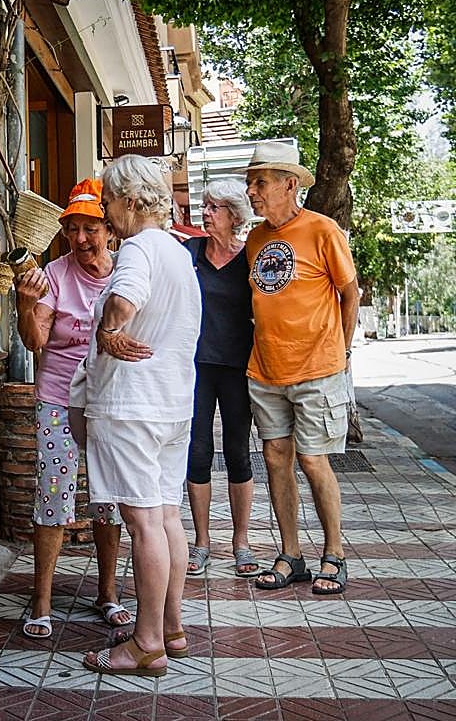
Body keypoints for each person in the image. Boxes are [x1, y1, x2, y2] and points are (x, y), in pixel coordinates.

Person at [79, 155, 201, 678]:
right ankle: (171, 627)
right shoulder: (177, 253)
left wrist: (108, 330)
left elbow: (125, 301)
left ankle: (146, 643)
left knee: (144, 522)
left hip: (133, 406)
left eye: (108, 202)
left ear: (131, 201)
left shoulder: (139, 249)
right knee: (167, 516)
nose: (106, 214)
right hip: (171, 405)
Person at [13, 178, 131, 640]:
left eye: (91, 228)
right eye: (73, 229)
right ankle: (41, 599)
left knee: (107, 500)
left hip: (107, 401)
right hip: (59, 399)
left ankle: (107, 593)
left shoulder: (126, 272)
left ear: (110, 230)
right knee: (54, 493)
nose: (81, 238)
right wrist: (26, 305)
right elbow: (35, 341)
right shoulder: (55, 275)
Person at [244, 142, 358, 595]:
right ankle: (292, 555)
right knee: (276, 460)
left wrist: (341, 353)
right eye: (250, 183)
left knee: (313, 460)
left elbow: (350, 294)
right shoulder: (255, 239)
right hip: (266, 370)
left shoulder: (322, 230)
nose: (252, 192)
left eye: (261, 183)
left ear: (290, 185)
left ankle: (335, 554)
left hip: (318, 368)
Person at [183, 178, 258, 578]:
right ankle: (201, 543)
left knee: (237, 453)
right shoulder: (189, 252)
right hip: (194, 366)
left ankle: (241, 543)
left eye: (214, 208)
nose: (206, 213)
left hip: (236, 367)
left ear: (234, 215)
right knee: (196, 452)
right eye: (205, 206)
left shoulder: (250, 259)